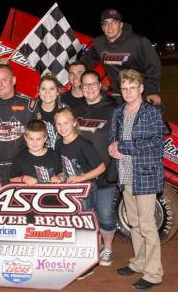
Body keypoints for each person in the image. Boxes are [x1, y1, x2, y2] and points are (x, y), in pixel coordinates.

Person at [108, 69, 165, 290]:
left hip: (146, 175)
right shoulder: (119, 112)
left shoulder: (151, 112)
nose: (128, 92)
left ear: (141, 88)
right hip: (125, 174)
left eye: (133, 87)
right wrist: (114, 148)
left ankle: (153, 273)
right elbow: (115, 139)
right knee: (134, 223)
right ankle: (140, 262)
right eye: (124, 88)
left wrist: (124, 147)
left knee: (148, 226)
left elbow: (157, 143)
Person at [54, 107, 106, 280]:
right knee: (74, 225)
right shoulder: (58, 143)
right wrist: (61, 176)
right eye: (59, 124)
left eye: (66, 123)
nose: (62, 127)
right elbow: (63, 168)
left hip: (86, 190)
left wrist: (82, 178)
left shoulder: (84, 144)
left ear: (74, 123)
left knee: (87, 225)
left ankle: (89, 263)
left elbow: (101, 167)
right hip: (70, 192)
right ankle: (78, 258)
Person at [73, 70, 118, 267]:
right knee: (85, 214)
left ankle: (108, 248)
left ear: (100, 85)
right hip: (81, 175)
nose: (89, 88)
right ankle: (95, 245)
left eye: (93, 84)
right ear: (80, 88)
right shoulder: (74, 109)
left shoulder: (113, 107)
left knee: (105, 214)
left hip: (105, 174)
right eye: (85, 85)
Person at [79, 9, 162, 105]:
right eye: (106, 23)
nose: (110, 27)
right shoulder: (99, 44)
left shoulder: (139, 42)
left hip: (140, 92)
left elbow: (154, 67)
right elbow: (85, 62)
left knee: (149, 116)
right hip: (118, 94)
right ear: (102, 27)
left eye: (114, 22)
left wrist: (152, 91)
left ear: (121, 25)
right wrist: (74, 69)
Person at [10, 119, 62, 185]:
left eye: (38, 139)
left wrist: (60, 178)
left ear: (45, 138)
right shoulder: (20, 158)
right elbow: (12, 179)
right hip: (28, 194)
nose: (35, 143)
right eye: (31, 139)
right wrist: (24, 178)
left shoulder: (54, 155)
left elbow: (62, 173)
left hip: (52, 194)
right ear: (25, 138)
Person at [35, 74, 66, 149]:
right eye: (43, 89)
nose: (47, 92)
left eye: (51, 88)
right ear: (38, 91)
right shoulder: (30, 110)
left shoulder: (66, 110)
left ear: (57, 91)